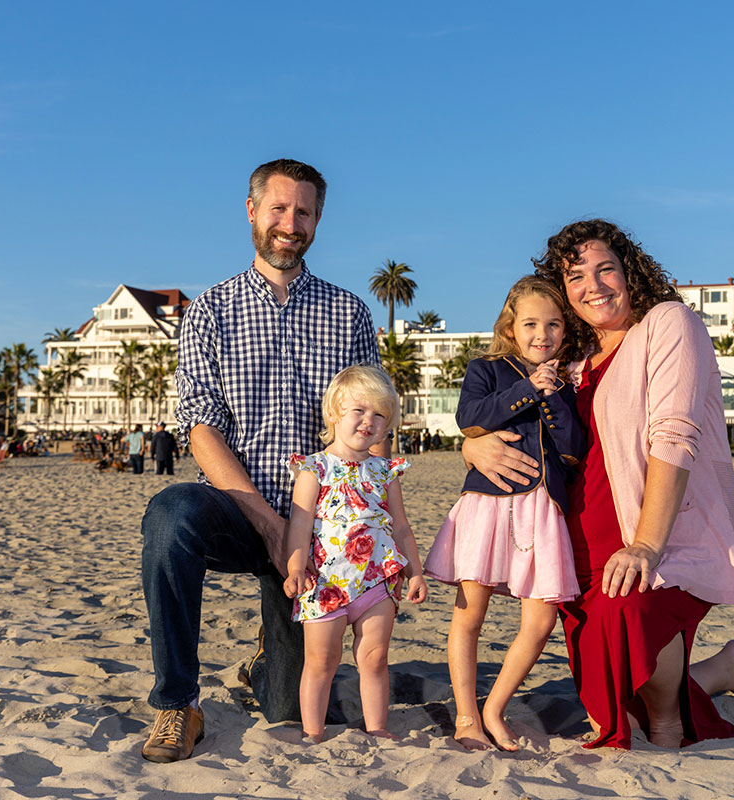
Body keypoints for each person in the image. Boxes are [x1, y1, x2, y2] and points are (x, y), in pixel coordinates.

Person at [463, 220, 734, 750]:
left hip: (650, 528)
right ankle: (723, 670)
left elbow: (675, 436)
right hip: (574, 539)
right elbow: (514, 421)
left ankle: (673, 722)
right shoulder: (570, 360)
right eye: (576, 276)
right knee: (613, 684)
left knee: (629, 616)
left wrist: (647, 544)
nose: (594, 285)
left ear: (630, 272)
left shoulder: (668, 323)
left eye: (606, 268)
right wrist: (471, 444)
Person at [139, 159, 382, 763]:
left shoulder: (348, 312)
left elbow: (374, 427)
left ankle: (265, 660)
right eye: (278, 208)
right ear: (251, 211)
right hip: (235, 509)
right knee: (170, 515)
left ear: (318, 220)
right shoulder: (210, 311)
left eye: (303, 211)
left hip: (320, 526)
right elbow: (200, 428)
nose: (289, 223)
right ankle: (177, 703)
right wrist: (272, 528)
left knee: (288, 706)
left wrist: (365, 532)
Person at [424, 275, 583, 750]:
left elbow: (574, 450)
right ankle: (467, 717)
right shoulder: (486, 369)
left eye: (554, 325)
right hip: (488, 507)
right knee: (469, 616)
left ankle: (494, 707)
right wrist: (528, 389)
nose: (543, 334)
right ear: (510, 327)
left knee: (540, 622)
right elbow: (470, 417)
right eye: (531, 323)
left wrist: (553, 394)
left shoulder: (566, 383)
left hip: (541, 511)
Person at [284, 366, 427, 742]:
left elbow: (401, 527)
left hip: (377, 582)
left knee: (375, 659)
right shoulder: (314, 469)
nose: (369, 421)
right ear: (333, 413)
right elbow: (298, 525)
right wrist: (296, 566)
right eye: (359, 411)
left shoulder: (385, 472)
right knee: (321, 661)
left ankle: (377, 727)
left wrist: (415, 572)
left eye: (380, 415)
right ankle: (312, 731)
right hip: (326, 584)